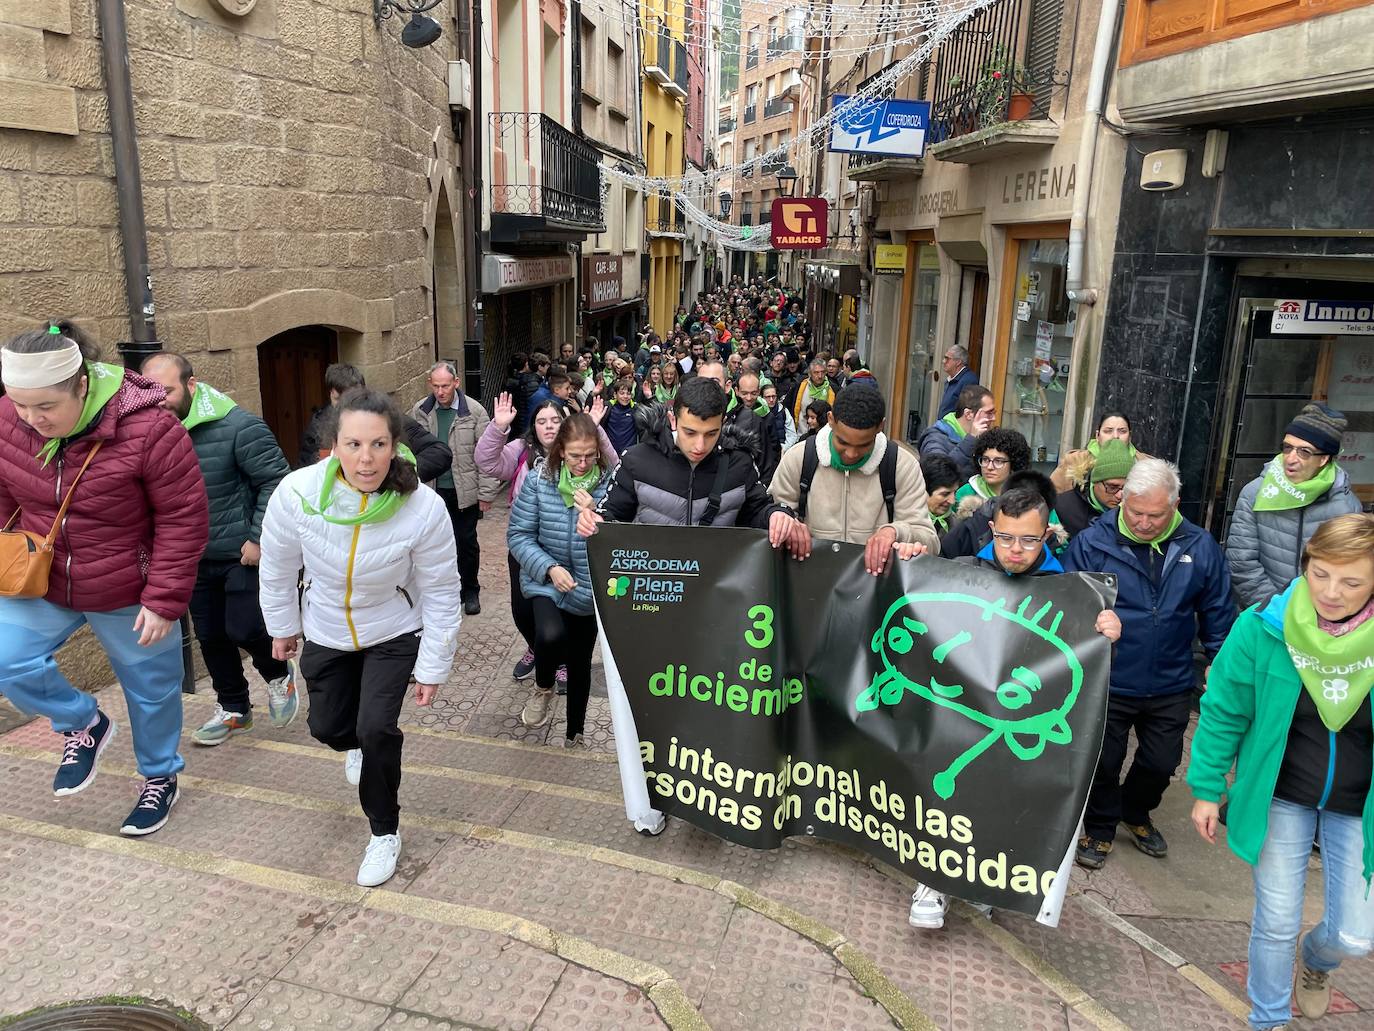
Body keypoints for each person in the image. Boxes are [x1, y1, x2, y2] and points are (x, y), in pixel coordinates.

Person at [0, 321, 208, 836]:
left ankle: (159, 777)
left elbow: (184, 518)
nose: (31, 418)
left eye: (44, 406)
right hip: (44, 578)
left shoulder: (151, 429)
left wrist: (163, 599)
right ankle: (83, 723)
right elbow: (6, 492)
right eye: (20, 405)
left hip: (126, 587)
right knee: (7, 658)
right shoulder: (10, 418)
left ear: (81, 384)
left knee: (151, 691)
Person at [579, 377, 799, 835]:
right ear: (673, 417)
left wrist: (780, 516)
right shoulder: (638, 461)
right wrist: (593, 520)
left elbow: (760, 508)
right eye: (690, 431)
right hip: (649, 617)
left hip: (714, 617)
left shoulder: (740, 465)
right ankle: (650, 800)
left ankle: (705, 797)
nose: (700, 445)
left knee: (709, 708)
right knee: (652, 708)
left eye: (711, 433)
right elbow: (610, 513)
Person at [260, 388, 460, 887]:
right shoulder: (298, 492)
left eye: (377, 445)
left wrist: (433, 665)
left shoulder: (423, 507)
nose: (365, 458)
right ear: (333, 446)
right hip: (326, 627)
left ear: (395, 446)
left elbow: (441, 590)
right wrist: (282, 626)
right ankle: (353, 742)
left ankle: (384, 831)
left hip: (392, 629)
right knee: (329, 727)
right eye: (353, 444)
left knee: (377, 729)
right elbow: (279, 565)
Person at [1188, 514, 1374, 1031]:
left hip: (1359, 806)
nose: (1331, 592)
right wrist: (1206, 788)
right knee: (1275, 922)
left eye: (1352, 581)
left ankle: (1317, 962)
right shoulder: (1265, 626)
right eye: (1320, 574)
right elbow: (1225, 709)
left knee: (1357, 936)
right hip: (1281, 796)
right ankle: (1267, 1019)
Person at [909, 484, 1122, 930]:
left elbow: (1080, 668)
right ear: (991, 530)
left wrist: (1106, 631)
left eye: (1029, 539)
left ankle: (982, 882)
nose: (1016, 549)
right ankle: (934, 880)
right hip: (959, 709)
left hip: (1016, 721)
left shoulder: (1070, 590)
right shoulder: (961, 571)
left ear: (1047, 535)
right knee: (947, 790)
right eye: (1006, 537)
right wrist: (908, 561)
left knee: (1000, 798)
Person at [1062, 458, 1236, 869]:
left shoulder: (1200, 546)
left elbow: (1217, 611)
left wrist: (1220, 662)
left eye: (1154, 515)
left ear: (1174, 506)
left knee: (1162, 764)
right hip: (1108, 676)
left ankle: (1135, 811)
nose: (1142, 522)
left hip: (1171, 678)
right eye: (1134, 512)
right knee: (1102, 761)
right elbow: (1067, 607)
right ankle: (1100, 827)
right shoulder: (1091, 543)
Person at [142, 353, 298, 746]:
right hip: (192, 556)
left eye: (167, 390)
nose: (157, 398)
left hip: (241, 552)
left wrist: (259, 537)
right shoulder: (148, 432)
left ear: (191, 386)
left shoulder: (239, 426)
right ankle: (234, 709)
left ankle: (279, 677)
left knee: (244, 627)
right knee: (211, 637)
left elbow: (277, 481)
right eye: (149, 390)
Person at [478, 394, 616, 684]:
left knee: (556, 627)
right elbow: (487, 462)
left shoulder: (592, 462)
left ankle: (557, 658)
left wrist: (593, 427)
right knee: (523, 613)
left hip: (575, 558)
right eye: (542, 421)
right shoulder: (522, 453)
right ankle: (540, 649)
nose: (549, 426)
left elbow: (612, 466)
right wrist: (498, 427)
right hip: (530, 544)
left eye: (556, 420)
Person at [508, 413, 613, 743]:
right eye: (574, 456)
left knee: (581, 661)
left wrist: (599, 515)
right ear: (560, 452)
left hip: (587, 588)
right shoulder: (540, 481)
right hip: (546, 581)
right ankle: (543, 688)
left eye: (589, 456)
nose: (582, 464)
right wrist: (550, 569)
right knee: (550, 635)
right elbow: (519, 535)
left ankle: (575, 732)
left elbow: (625, 537)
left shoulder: (611, 484)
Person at [770, 388, 940, 575]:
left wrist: (895, 532)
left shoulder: (902, 466)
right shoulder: (799, 458)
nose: (851, 454)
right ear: (830, 420)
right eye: (842, 442)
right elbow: (773, 511)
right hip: (809, 584)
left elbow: (930, 542)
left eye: (864, 445)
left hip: (876, 589)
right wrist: (786, 523)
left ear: (881, 427)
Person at [1227, 403, 1361, 611]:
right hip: (1264, 612)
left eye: (1304, 452)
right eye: (1287, 447)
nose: (1291, 458)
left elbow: (1350, 570)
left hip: (1320, 616)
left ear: (1324, 459)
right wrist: (1277, 609)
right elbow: (1242, 562)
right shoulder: (1256, 493)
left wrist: (1317, 613)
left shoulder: (1345, 506)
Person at [410, 362, 501, 616]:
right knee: (432, 545)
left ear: (456, 383)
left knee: (466, 542)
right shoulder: (420, 411)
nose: (440, 391)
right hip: (432, 490)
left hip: (465, 491)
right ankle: (443, 591)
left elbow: (488, 454)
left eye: (445, 386)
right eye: (436, 386)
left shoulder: (474, 411)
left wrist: (486, 493)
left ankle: (470, 590)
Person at [299, 364, 452, 481]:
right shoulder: (317, 428)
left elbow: (440, 452)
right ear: (330, 394)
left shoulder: (388, 419)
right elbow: (307, 471)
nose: (347, 407)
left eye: (353, 398)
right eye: (339, 400)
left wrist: (397, 473)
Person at [1055, 437, 1135, 539]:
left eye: (1126, 488)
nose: (1120, 495)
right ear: (1095, 482)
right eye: (1112, 487)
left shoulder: (1137, 512)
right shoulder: (1061, 508)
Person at [1050, 411, 1142, 492]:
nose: (1115, 436)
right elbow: (1049, 495)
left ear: (1130, 437)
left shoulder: (1144, 464)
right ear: (1098, 436)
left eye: (1122, 431)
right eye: (1108, 431)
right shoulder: (1074, 461)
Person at [918, 383, 994, 480]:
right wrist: (970, 440)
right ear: (968, 414)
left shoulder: (982, 436)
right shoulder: (934, 438)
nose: (993, 418)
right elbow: (938, 476)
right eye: (989, 413)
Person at [952, 427, 1031, 514]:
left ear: (1014, 464)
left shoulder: (1028, 496)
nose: (989, 467)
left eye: (998, 461)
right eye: (985, 459)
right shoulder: (966, 492)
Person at [919, 455, 961, 537]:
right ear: (923, 490)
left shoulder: (957, 525)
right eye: (945, 494)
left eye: (954, 492)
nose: (952, 501)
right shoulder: (906, 523)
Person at [788, 359, 836, 426]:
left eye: (822, 372)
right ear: (809, 373)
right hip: (801, 432)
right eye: (816, 372)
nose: (820, 376)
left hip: (823, 433)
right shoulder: (799, 387)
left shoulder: (833, 389)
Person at [937, 345, 979, 419]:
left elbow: (967, 411)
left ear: (958, 362)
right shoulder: (951, 379)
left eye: (947, 358)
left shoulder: (969, 380)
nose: (943, 361)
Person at [604, 376, 639, 455]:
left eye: (628, 393)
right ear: (615, 395)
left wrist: (649, 397)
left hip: (629, 453)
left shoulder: (635, 409)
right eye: (622, 393)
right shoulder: (607, 407)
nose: (625, 396)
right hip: (610, 453)